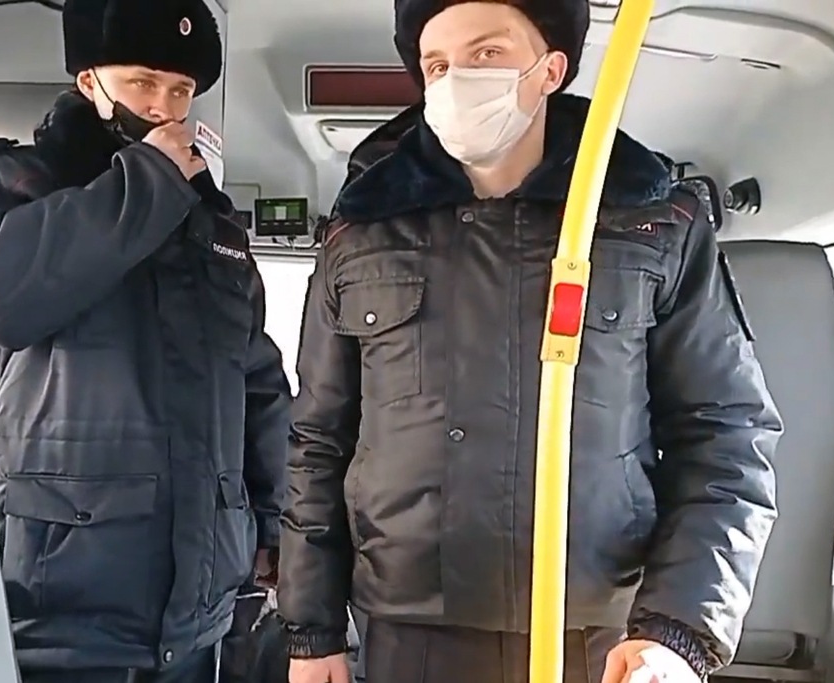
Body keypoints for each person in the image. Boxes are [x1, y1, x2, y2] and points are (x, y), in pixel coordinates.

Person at [277, 1, 783, 682]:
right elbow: (318, 442)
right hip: (409, 628)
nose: (458, 79)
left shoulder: (653, 221)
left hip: (599, 631)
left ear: (551, 69)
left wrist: (679, 628)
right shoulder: (361, 234)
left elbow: (724, 435)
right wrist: (312, 631)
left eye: (486, 53)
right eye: (437, 64)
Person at [0, 1, 291, 681]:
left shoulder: (209, 223)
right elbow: (0, 297)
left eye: (180, 90)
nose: (163, 107)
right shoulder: (0, 187)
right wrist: (152, 178)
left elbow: (255, 381)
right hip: (56, 610)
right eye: (143, 83)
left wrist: (273, 521)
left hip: (197, 610)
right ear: (89, 80)